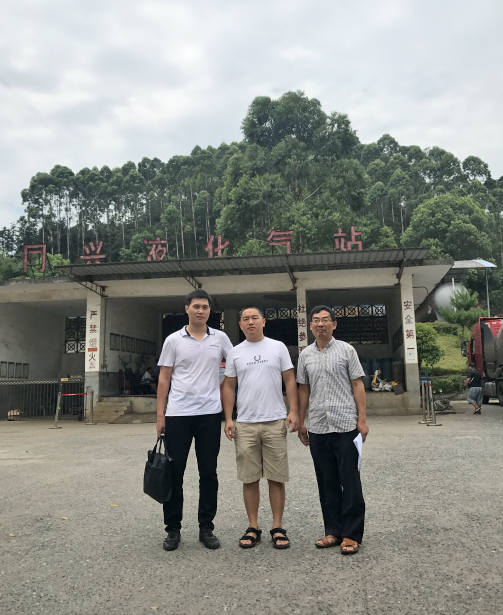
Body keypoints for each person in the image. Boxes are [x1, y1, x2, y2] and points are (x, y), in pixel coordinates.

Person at [156, 289, 233, 551]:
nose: (201, 311)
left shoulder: (220, 338)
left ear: (210, 311)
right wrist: (160, 415)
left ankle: (206, 527)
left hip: (210, 414)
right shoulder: (173, 340)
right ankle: (173, 528)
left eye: (205, 307)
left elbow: (235, 365)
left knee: (208, 472)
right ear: (187, 308)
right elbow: (164, 378)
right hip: (178, 414)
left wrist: (221, 387)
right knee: (174, 473)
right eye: (196, 306)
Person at [222, 306, 299, 549]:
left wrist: (293, 411)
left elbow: (289, 379)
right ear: (240, 325)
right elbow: (229, 386)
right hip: (245, 423)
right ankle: (253, 526)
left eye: (255, 317)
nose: (250, 322)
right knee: (249, 478)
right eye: (245, 319)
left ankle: (277, 527)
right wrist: (229, 418)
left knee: (276, 477)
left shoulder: (278, 347)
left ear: (264, 322)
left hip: (275, 420)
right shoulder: (235, 352)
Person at [297, 305, 368, 555]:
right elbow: (303, 389)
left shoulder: (347, 350)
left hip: (346, 424)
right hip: (318, 426)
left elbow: (357, 384)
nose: (320, 324)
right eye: (316, 320)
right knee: (326, 481)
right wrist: (301, 421)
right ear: (310, 326)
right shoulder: (305, 355)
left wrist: (362, 419)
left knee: (350, 481)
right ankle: (333, 531)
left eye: (325, 320)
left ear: (334, 324)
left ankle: (351, 534)